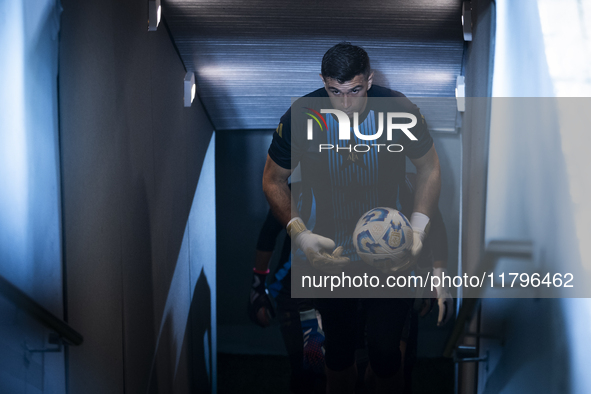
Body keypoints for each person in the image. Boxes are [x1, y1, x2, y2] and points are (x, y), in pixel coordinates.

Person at [262, 42, 453, 394]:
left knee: (384, 353)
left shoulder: (398, 108)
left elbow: (428, 168)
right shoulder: (302, 115)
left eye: (355, 90)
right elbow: (273, 179)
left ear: (369, 80)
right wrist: (301, 236)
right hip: (333, 255)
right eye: (335, 91)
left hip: (391, 251)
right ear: (323, 81)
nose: (345, 102)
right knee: (337, 353)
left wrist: (420, 232)